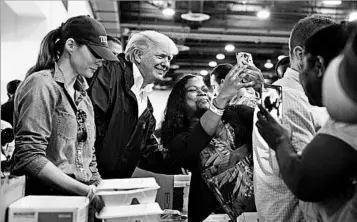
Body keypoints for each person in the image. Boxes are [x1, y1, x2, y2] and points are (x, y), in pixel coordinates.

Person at [10, 15, 118, 219]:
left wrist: (98, 187)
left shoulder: (83, 97)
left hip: (81, 201)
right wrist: (85, 191)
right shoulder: (41, 85)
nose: (100, 62)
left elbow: (89, 156)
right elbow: (30, 157)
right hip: (49, 201)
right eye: (95, 53)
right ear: (71, 45)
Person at [256, 22, 357, 221]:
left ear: (318, 65)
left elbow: (305, 179)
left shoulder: (346, 114)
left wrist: (280, 142)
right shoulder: (283, 95)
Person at [161, 65, 263, 221]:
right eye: (193, 90)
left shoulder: (236, 113)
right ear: (180, 99)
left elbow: (269, 120)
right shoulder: (178, 137)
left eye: (204, 88)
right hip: (210, 214)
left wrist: (260, 88)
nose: (202, 92)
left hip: (253, 211)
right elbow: (191, 146)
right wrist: (221, 98)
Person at [87, 30, 181, 179]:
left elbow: (147, 152)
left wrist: (184, 161)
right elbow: (88, 127)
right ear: (138, 55)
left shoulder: (146, 104)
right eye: (161, 56)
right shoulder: (109, 73)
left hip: (109, 186)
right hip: (85, 183)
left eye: (169, 59)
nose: (166, 65)